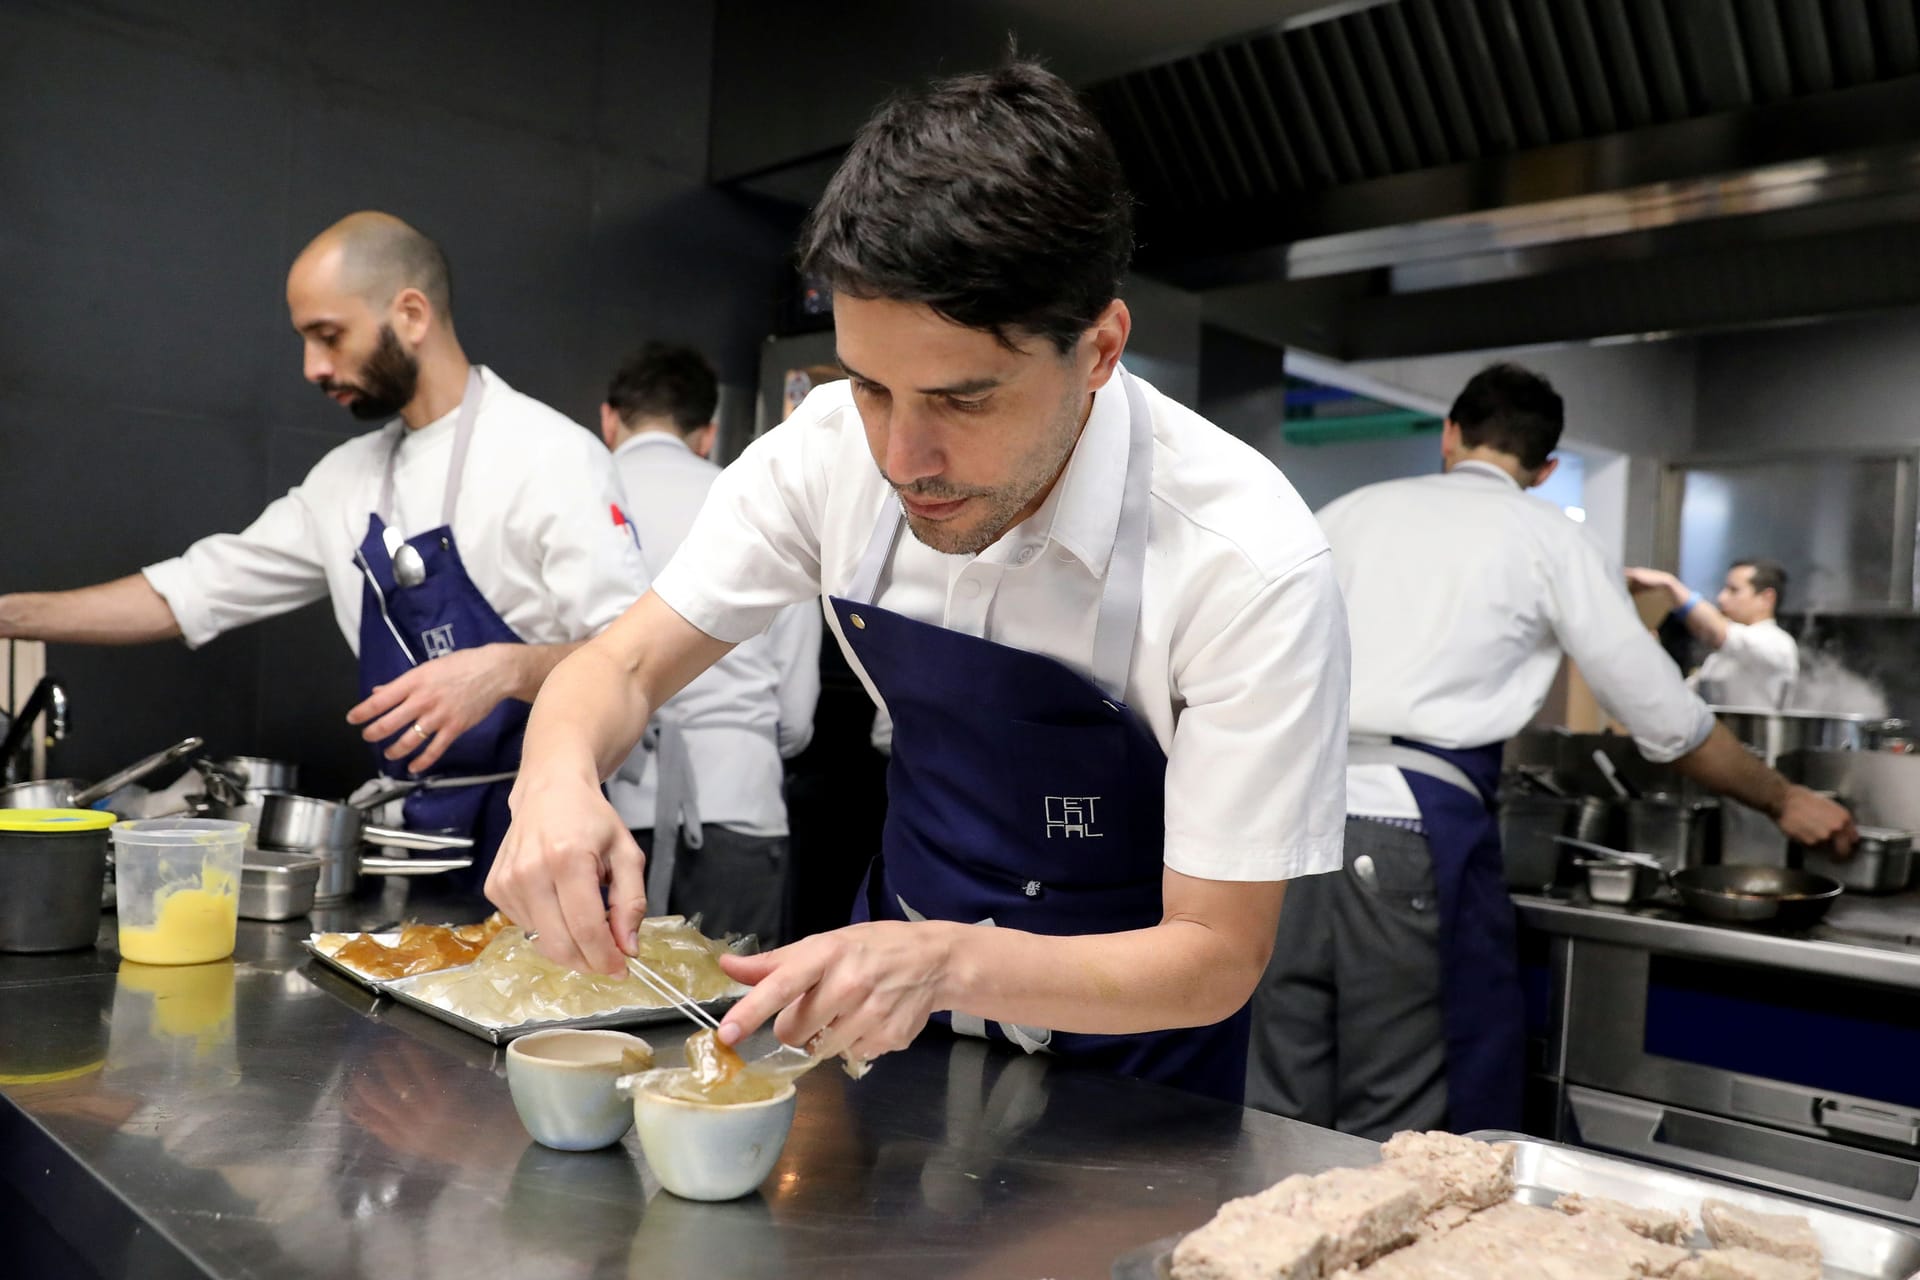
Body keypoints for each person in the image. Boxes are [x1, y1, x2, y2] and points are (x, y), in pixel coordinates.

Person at [486, 61, 1350, 1103]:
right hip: (883, 1032)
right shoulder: (824, 456)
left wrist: (942, 961)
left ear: (1101, 349)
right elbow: (621, 665)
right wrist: (553, 781)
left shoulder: (1245, 561)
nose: (902, 454)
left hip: (1135, 1070)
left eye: (963, 399)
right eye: (869, 386)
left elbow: (1216, 952)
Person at [1247, 363, 1855, 1137]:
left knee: (1275, 1105)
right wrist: (1784, 797)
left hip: (1285, 823)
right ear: (1547, 468)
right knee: (1396, 1123)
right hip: (1408, 835)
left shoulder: (1346, 512)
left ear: (1449, 435)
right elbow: (1664, 716)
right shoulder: (1548, 537)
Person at [0, 212, 647, 874]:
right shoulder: (346, 479)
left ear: (413, 315)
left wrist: (506, 669)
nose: (313, 367)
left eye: (329, 336)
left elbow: (638, 662)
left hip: (547, 839)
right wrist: (9, 617)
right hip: (406, 847)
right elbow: (190, 592)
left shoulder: (551, 456)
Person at [598, 341, 822, 945]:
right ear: (707, 435)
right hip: (740, 806)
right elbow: (796, 717)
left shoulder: (581, 500)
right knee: (733, 1026)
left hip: (602, 816)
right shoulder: (759, 506)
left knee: (588, 1020)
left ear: (609, 419)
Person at [1626, 560, 1798, 709]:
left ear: (1766, 598)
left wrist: (1671, 585)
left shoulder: (1778, 644)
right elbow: (1679, 700)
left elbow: (1717, 632)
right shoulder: (1718, 659)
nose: (1721, 598)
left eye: (1734, 590)